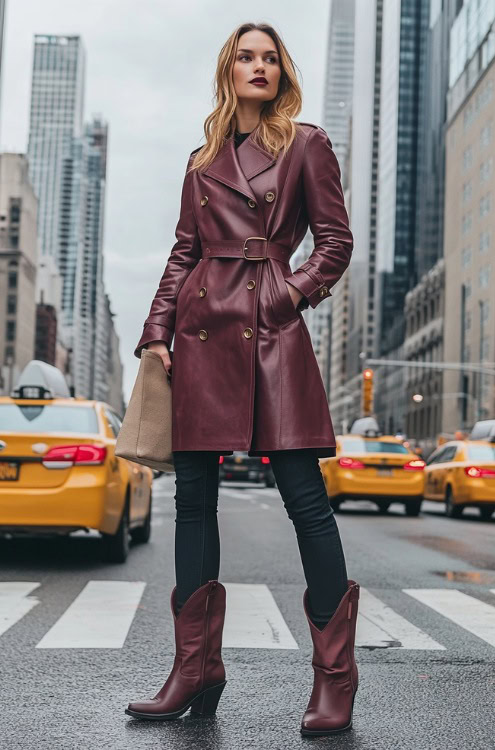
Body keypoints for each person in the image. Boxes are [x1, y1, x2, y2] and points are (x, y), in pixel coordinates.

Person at [125, 21, 360, 736]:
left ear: (282, 72)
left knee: (305, 500)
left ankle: (335, 678)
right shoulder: (202, 161)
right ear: (229, 72)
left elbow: (335, 243)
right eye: (245, 57)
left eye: (269, 58)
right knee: (193, 500)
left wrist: (285, 295)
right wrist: (157, 332)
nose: (257, 67)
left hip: (272, 334)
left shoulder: (306, 144)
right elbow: (181, 253)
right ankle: (195, 670)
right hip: (200, 334)